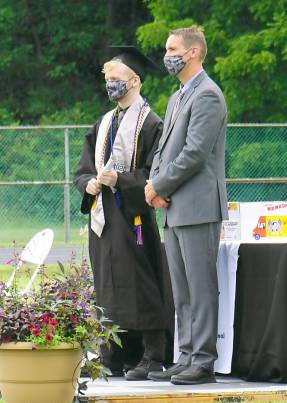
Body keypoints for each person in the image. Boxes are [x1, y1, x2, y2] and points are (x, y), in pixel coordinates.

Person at [74, 46, 169, 381]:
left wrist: (122, 181)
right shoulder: (104, 123)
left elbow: (157, 174)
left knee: (139, 281)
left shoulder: (151, 123)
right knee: (107, 284)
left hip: (136, 218)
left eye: (116, 79)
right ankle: (110, 355)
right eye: (108, 79)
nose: (111, 85)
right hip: (103, 219)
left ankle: (152, 355)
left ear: (135, 81)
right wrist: (88, 184)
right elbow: (83, 169)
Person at [145, 26, 228, 385]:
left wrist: (161, 185)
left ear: (193, 52)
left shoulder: (208, 95)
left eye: (173, 48)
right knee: (182, 287)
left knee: (201, 285)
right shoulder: (178, 96)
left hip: (198, 205)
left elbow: (195, 153)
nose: (168, 55)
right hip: (174, 205)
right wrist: (153, 185)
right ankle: (186, 353)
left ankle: (204, 360)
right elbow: (164, 148)